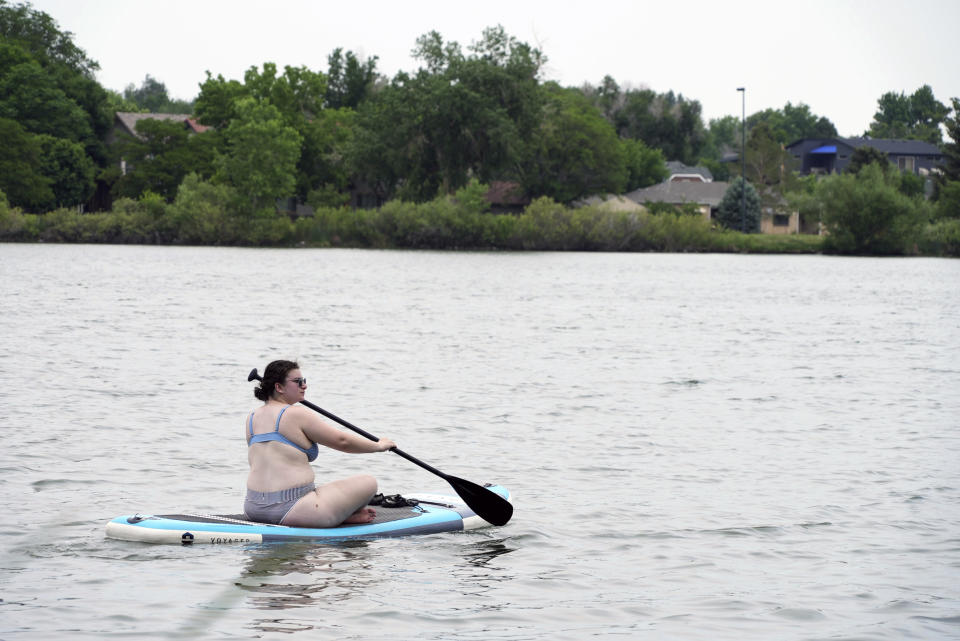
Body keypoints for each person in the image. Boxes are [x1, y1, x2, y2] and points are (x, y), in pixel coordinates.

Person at [244, 360, 396, 527]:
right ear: (279, 387)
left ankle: (341, 515)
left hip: (253, 508)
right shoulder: (296, 414)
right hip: (294, 510)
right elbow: (342, 442)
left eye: (304, 381)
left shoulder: (252, 418)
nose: (304, 386)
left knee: (322, 491)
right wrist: (379, 446)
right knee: (369, 482)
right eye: (298, 382)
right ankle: (340, 515)